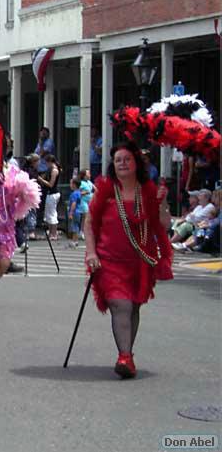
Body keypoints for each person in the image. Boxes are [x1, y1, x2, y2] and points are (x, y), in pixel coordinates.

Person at [84, 141, 172, 379]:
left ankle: (128, 354)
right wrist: (91, 253)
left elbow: (164, 225)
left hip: (140, 261)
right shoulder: (106, 191)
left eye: (127, 159)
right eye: (118, 160)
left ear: (136, 164)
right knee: (120, 304)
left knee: (133, 306)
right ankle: (124, 356)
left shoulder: (149, 192)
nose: (122, 163)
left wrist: (162, 203)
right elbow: (90, 225)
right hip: (109, 261)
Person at [0, 164, 40, 307]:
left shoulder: (12, 178)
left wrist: (21, 194)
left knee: (4, 264)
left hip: (6, 227)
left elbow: (25, 195)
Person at [37, 155, 61, 240]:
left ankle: (54, 233)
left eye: (47, 163)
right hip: (49, 194)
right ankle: (51, 233)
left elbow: (51, 184)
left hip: (53, 193)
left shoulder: (54, 170)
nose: (46, 165)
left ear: (50, 162)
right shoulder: (50, 170)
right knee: (48, 213)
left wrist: (41, 180)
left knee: (52, 213)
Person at [67, 178, 82, 248]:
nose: (70, 185)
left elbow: (73, 203)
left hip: (75, 212)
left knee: (74, 227)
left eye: (71, 183)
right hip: (78, 211)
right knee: (76, 226)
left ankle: (74, 241)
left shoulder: (74, 194)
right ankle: (76, 241)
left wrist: (70, 213)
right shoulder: (79, 192)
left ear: (74, 185)